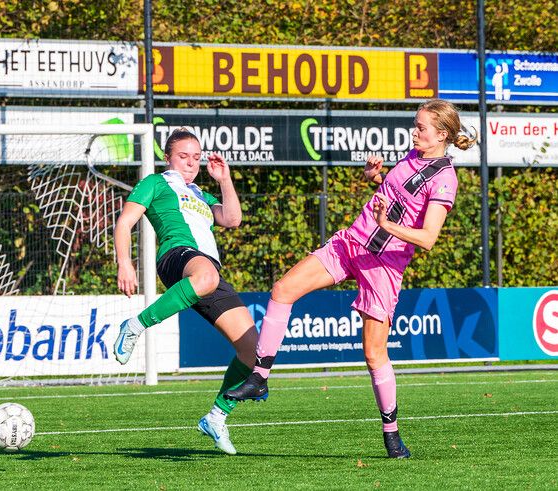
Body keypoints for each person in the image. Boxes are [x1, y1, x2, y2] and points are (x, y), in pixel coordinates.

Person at [225, 99, 477, 458]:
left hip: (384, 265)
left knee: (374, 355)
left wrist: (387, 225)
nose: (414, 131)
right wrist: (373, 176)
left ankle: (392, 434)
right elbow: (392, 195)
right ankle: (260, 377)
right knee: (282, 289)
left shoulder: (445, 179)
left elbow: (429, 238)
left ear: (442, 134)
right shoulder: (411, 156)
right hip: (352, 242)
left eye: (421, 127)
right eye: (415, 125)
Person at [112, 128, 257, 455]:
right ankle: (134, 326)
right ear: (168, 157)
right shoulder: (155, 183)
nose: (191, 163)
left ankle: (217, 417)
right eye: (183, 156)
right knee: (205, 275)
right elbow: (124, 224)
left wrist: (224, 179)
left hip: (206, 272)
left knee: (253, 351)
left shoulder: (201, 194)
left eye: (196, 157)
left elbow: (232, 219)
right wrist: (125, 263)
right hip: (177, 257)